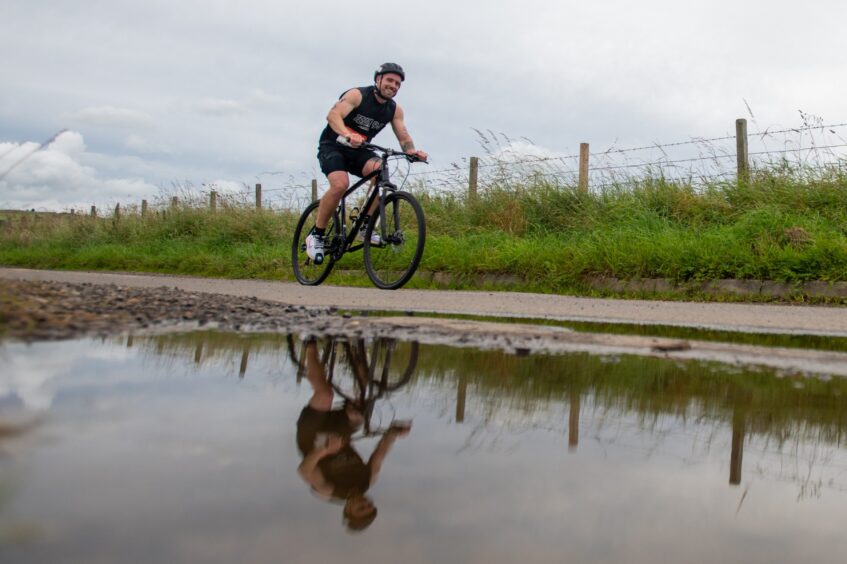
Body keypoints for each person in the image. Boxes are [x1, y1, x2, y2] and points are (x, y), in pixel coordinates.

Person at [306, 62, 429, 264]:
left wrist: (412, 151)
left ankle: (364, 226)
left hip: (359, 151)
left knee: (382, 173)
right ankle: (317, 235)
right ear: (378, 79)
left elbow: (403, 135)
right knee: (340, 185)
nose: (394, 86)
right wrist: (347, 134)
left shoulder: (394, 109)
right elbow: (333, 115)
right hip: (333, 146)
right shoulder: (357, 95)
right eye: (390, 80)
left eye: (398, 84)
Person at [296, 337, 412, 532]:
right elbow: (380, 454)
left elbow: (304, 471)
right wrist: (393, 433)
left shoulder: (330, 491)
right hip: (341, 431)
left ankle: (309, 344)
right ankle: (358, 347)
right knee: (361, 403)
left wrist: (324, 450)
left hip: (312, 432)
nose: (366, 503)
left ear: (349, 509)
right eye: (369, 506)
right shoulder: (367, 480)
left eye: (361, 508)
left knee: (325, 395)